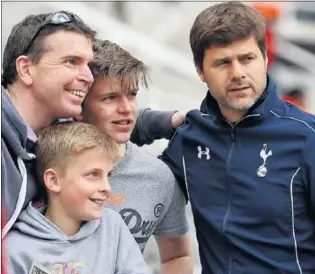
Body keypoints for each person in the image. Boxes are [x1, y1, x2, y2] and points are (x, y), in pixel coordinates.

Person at [158, 2, 315, 274]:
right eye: (223, 62)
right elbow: (130, 174)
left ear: (265, 59)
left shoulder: (313, 139)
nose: (237, 73)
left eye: (247, 59)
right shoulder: (190, 140)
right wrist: (155, 122)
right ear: (200, 70)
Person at [1, 11, 183, 237]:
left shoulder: (48, 131)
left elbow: (105, 120)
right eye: (71, 62)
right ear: (26, 70)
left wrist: (170, 121)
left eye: (87, 64)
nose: (88, 76)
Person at [80, 39, 193, 274]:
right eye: (110, 98)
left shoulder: (159, 177)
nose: (126, 109)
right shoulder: (44, 156)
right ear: (80, 105)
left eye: (132, 95)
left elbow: (179, 257)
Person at [5, 122, 153, 274]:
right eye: (93, 174)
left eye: (108, 175)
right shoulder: (14, 250)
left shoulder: (113, 227)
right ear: (53, 181)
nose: (107, 187)